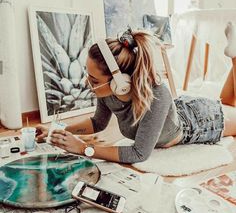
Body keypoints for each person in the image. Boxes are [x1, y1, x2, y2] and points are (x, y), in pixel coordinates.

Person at [36, 23, 236, 164]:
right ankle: (235, 55)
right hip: (180, 110)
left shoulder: (157, 95)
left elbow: (139, 153)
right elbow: (97, 123)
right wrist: (57, 130)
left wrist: (83, 148)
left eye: (94, 80)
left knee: (229, 106)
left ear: (120, 81)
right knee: (228, 102)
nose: (88, 84)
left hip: (200, 122)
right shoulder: (107, 92)